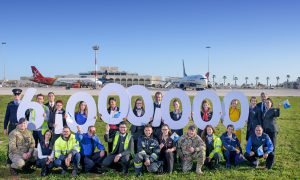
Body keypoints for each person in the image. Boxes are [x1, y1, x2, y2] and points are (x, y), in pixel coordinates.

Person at [4, 89, 22, 165]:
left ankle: (19, 159)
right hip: (12, 126)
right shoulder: (10, 104)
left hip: (20, 127)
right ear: (13, 95)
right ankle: (9, 159)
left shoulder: (23, 105)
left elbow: (27, 116)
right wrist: (5, 128)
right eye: (15, 95)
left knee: (20, 143)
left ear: (21, 95)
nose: (16, 96)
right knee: (11, 143)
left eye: (18, 95)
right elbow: (6, 117)